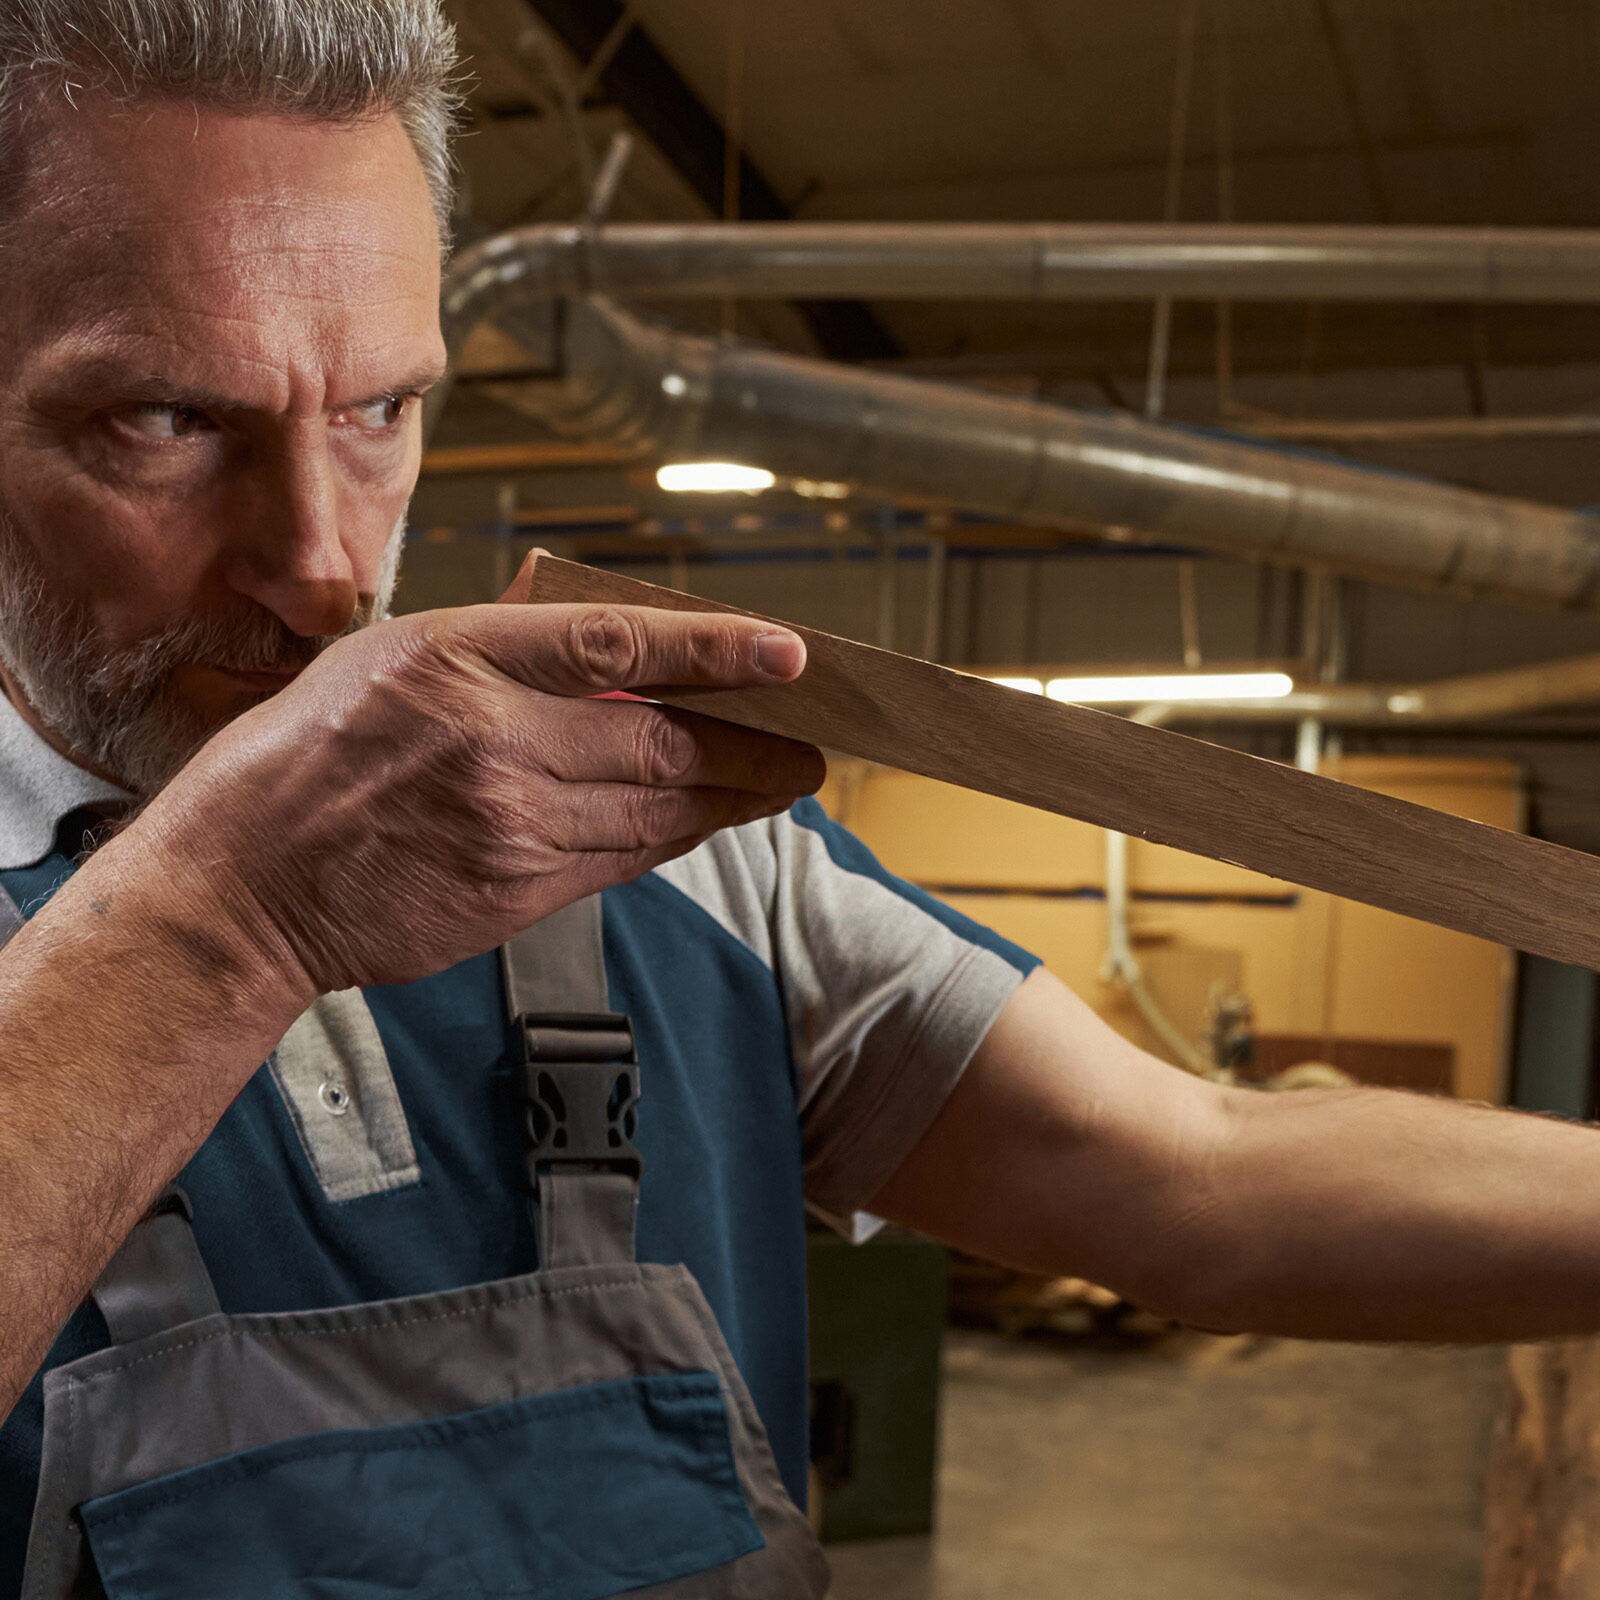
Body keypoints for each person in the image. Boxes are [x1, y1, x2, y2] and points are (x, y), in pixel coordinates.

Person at [2, 1, 1600, 1593]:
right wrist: (233, 913)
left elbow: (1199, 1183)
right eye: (166, 420)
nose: (324, 568)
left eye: (380, 411)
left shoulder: (658, 847)